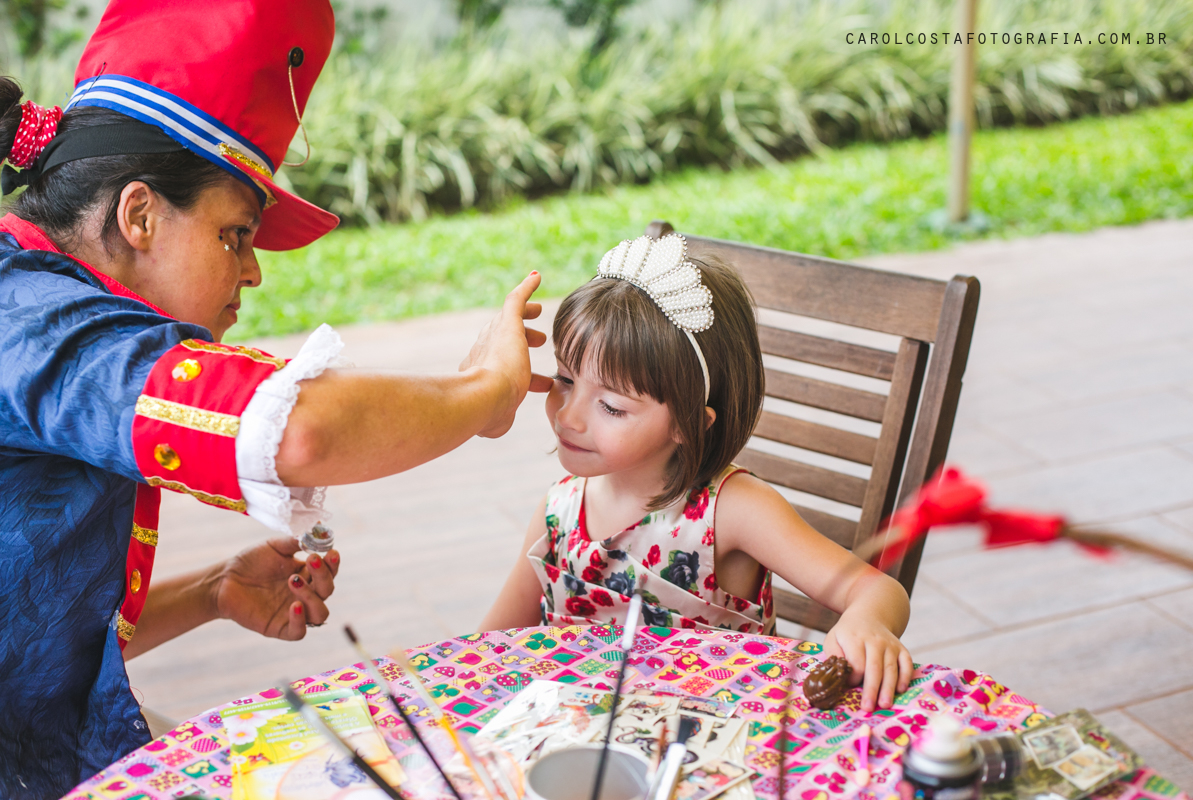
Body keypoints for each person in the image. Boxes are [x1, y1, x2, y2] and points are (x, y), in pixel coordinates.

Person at [0, 1, 546, 796]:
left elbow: (33, 624)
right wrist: (487, 391)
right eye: (235, 235)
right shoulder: (37, 325)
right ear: (141, 214)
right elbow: (298, 434)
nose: (251, 273)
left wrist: (211, 592)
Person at [481, 233, 913, 713]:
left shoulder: (732, 511)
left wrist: (866, 622)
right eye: (564, 379)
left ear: (689, 423)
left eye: (611, 405)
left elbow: (875, 589)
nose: (569, 416)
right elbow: (486, 648)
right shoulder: (559, 511)